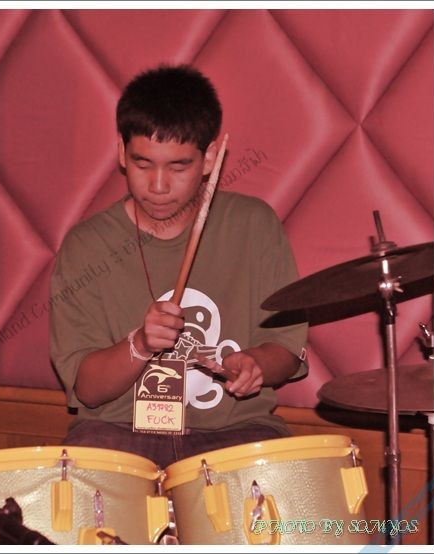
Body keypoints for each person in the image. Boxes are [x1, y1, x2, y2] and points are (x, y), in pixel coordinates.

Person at [49, 65, 308, 469]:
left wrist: (255, 363)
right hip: (117, 429)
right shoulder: (86, 246)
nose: (158, 186)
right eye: (143, 164)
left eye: (178, 167)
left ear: (210, 159)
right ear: (121, 152)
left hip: (234, 430)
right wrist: (139, 344)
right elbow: (88, 389)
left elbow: (286, 351)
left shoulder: (254, 225)